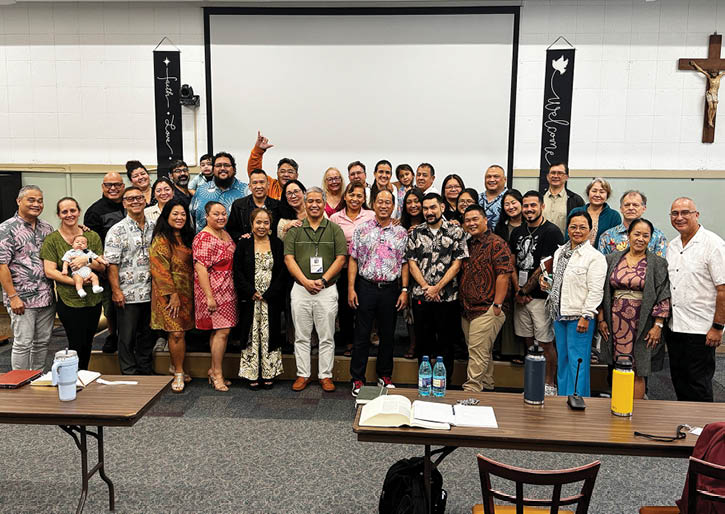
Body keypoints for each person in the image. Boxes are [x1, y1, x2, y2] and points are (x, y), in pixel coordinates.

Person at [598, 218, 670, 399]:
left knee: (638, 367)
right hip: (614, 320)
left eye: (646, 235)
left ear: (650, 238)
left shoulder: (658, 263)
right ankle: (618, 405)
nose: (640, 239)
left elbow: (663, 294)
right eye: (637, 234)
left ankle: (636, 410)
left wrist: (658, 325)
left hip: (643, 321)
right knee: (616, 365)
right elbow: (602, 291)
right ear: (629, 235)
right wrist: (601, 319)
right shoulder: (611, 259)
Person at [284, 187, 347, 392]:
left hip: (327, 289)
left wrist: (323, 279)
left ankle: (325, 375)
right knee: (301, 335)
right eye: (310, 201)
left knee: (326, 336)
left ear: (324, 203)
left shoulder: (334, 229)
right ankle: (303, 374)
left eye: (318, 201)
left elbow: (341, 258)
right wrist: (305, 281)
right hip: (300, 289)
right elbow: (289, 259)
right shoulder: (295, 230)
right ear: (305, 203)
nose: (314, 205)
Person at [348, 189, 409, 396]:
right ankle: (357, 378)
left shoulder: (401, 232)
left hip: (390, 289)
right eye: (380, 202)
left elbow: (404, 263)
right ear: (373, 204)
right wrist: (351, 288)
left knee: (387, 334)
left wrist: (404, 289)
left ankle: (384, 375)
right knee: (362, 334)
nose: (383, 205)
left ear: (393, 206)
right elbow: (353, 259)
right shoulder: (362, 229)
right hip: (366, 287)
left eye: (387, 202)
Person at [666, 197, 725, 402]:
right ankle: (686, 420)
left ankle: (703, 422)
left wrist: (718, 327)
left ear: (696, 215)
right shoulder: (672, 246)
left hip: (702, 330)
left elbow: (723, 289)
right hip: (675, 327)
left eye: (685, 212)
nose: (679, 217)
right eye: (675, 213)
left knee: (698, 384)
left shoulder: (713, 244)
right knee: (679, 381)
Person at [542, 211, 606, 397]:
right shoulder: (560, 252)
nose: (577, 231)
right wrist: (546, 284)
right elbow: (560, 282)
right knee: (562, 359)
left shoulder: (595, 257)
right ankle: (563, 398)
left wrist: (587, 316)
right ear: (567, 229)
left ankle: (577, 399)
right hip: (559, 313)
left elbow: (596, 290)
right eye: (573, 227)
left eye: (582, 227)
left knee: (578, 361)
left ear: (590, 230)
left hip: (580, 317)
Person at [405, 193, 468, 381]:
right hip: (421, 296)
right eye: (425, 208)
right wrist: (427, 287)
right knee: (423, 343)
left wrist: (437, 287)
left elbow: (457, 264)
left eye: (433, 207)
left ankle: (444, 385)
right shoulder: (415, 233)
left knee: (446, 344)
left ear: (442, 207)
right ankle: (424, 383)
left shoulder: (456, 232)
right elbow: (411, 263)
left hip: (447, 297)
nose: (429, 212)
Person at [41, 197, 106, 371]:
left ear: (79, 212)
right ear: (59, 215)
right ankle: (72, 377)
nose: (69, 214)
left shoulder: (91, 236)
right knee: (76, 342)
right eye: (65, 211)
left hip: (93, 299)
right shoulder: (52, 240)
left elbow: (102, 266)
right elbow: (50, 271)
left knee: (88, 342)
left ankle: (83, 374)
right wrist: (76, 282)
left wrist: (86, 261)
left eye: (73, 210)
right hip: (69, 300)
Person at [510, 191, 564, 395]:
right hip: (521, 298)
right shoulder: (517, 232)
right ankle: (533, 382)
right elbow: (512, 263)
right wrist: (518, 290)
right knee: (527, 340)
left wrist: (525, 290)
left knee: (545, 343)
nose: (529, 209)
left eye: (533, 205)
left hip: (540, 298)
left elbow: (545, 266)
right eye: (525, 206)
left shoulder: (552, 232)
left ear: (542, 206)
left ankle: (549, 385)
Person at [459, 204, 513, 392]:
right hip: (468, 309)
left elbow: (504, 275)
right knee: (482, 352)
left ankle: (471, 390)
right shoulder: (467, 244)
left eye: (475, 219)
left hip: (488, 308)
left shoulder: (496, 243)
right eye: (467, 220)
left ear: (485, 220)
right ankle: (487, 388)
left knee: (477, 353)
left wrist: (497, 305)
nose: (471, 223)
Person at [0, 186, 55, 370]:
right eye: (31, 200)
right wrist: (13, 297)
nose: (36, 204)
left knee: (42, 342)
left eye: (40, 201)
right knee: (23, 343)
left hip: (46, 297)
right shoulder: (6, 229)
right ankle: (20, 382)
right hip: (21, 299)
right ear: (19, 201)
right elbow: (1, 266)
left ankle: (37, 378)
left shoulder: (47, 228)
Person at [233, 209, 287, 389]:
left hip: (271, 299)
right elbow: (237, 271)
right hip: (251, 299)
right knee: (251, 335)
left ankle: (269, 372)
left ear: (270, 225)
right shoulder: (244, 244)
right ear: (251, 224)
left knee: (270, 334)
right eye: (258, 222)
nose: (262, 226)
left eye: (265, 222)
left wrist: (270, 293)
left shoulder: (277, 244)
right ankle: (252, 373)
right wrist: (251, 291)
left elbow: (282, 272)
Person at [105, 186, 156, 375]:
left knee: (147, 334)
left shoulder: (154, 226)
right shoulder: (117, 230)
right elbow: (112, 264)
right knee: (126, 337)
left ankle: (145, 370)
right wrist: (116, 291)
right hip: (127, 293)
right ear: (124, 203)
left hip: (150, 291)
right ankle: (129, 372)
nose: (135, 201)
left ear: (145, 201)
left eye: (139, 198)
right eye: (130, 199)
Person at [149, 199, 195, 392]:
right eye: (175, 214)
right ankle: (178, 372)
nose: (179, 217)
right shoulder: (161, 239)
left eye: (183, 214)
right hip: (168, 294)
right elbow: (159, 270)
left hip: (188, 292)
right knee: (176, 332)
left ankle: (174, 365)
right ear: (166, 215)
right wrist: (172, 294)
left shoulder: (187, 237)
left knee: (182, 331)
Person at [193, 201, 238, 391]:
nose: (221, 217)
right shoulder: (203, 237)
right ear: (206, 216)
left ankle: (213, 370)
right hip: (213, 290)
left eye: (223, 214)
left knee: (219, 332)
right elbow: (200, 269)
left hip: (228, 289)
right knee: (222, 332)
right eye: (216, 214)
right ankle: (218, 374)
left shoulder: (225, 233)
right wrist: (209, 297)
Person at [330, 182, 375, 357]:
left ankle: (363, 341)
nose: (355, 199)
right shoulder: (335, 218)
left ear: (364, 199)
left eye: (359, 195)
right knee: (345, 307)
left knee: (364, 307)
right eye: (351, 194)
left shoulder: (371, 215)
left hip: (365, 270)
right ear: (345, 196)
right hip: (342, 269)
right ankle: (349, 342)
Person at [84, 171, 125, 353]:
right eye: (109, 185)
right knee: (111, 304)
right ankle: (113, 335)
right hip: (108, 267)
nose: (113, 188)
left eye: (117, 184)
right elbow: (92, 244)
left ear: (123, 186)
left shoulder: (130, 203)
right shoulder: (95, 211)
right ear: (103, 187)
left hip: (135, 266)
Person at [492, 189, 524, 362]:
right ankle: (503, 350)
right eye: (506, 204)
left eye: (514, 203)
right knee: (505, 310)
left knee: (521, 313)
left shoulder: (528, 225)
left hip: (525, 273)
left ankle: (520, 352)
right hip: (504, 274)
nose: (510, 207)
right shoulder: (500, 227)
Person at [190, 152, 249, 231]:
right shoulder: (201, 190)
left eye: (226, 165)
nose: (222, 168)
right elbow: (191, 216)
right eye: (218, 165)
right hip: (203, 238)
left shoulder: (246, 191)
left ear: (234, 169)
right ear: (213, 169)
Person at [598, 190, 667, 257]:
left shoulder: (657, 236)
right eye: (627, 205)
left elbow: (660, 263)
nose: (631, 208)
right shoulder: (607, 237)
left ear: (644, 208)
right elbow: (601, 264)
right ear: (621, 208)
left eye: (635, 205)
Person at [399, 187, 425, 359]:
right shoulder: (400, 225)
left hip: (426, 274)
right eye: (409, 202)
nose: (413, 205)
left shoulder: (430, 222)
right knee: (409, 311)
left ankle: (425, 345)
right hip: (406, 274)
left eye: (416, 201)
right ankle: (413, 343)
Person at [227, 168, 280, 241]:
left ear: (268, 185)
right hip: (246, 246)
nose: (259, 186)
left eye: (262, 182)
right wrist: (241, 237)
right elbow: (231, 230)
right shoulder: (238, 205)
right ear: (249, 186)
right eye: (255, 183)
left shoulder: (277, 206)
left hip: (271, 246)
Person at [567, 178, 621, 249]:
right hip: (575, 253)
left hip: (602, 255)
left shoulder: (614, 216)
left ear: (607, 195)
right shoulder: (575, 211)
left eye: (602, 192)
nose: (597, 195)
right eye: (594, 191)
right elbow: (567, 236)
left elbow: (616, 242)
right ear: (588, 193)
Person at [246, 131, 299, 200]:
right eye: (282, 171)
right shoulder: (270, 186)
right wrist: (258, 150)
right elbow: (254, 172)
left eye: (290, 172)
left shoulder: (300, 193)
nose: (286, 174)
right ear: (277, 174)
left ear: (296, 176)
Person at [542, 162, 584, 234]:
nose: (555, 176)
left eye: (560, 173)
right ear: (548, 177)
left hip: (565, 240)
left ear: (566, 177)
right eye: (553, 173)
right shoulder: (539, 198)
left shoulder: (575, 200)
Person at [478, 165, 508, 232]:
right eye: (488, 177)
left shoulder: (511, 199)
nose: (491, 180)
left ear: (505, 179)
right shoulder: (477, 198)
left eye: (496, 176)